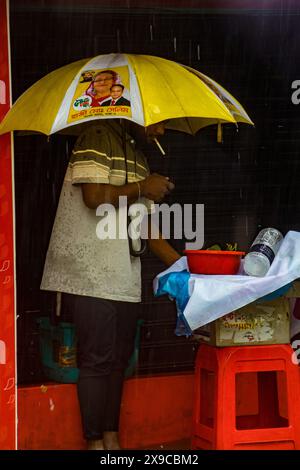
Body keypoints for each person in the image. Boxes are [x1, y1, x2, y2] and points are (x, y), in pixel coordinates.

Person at [40, 118, 181, 450]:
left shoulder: (139, 158)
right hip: (89, 272)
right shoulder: (96, 136)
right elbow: (93, 197)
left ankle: (111, 439)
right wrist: (141, 188)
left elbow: (147, 228)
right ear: (137, 115)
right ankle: (93, 443)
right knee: (97, 360)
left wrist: (185, 265)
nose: (160, 132)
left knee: (119, 361)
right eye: (158, 124)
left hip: (123, 274)